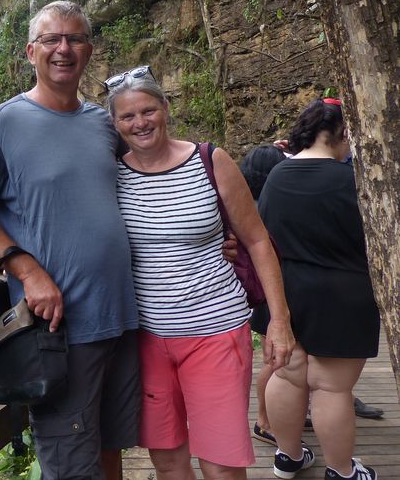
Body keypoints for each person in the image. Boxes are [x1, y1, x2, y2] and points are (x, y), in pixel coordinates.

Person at [0, 1, 141, 480]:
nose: (64, 48)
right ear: (30, 51)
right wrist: (28, 271)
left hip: (120, 320)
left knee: (110, 453)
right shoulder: (3, 122)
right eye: (52, 39)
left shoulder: (104, 123)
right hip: (58, 331)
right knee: (72, 466)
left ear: (89, 51)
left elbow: (141, 187)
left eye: (75, 39)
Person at [105, 66, 295, 480]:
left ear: (166, 108)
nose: (140, 122)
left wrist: (279, 322)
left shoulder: (210, 160)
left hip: (216, 330)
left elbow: (258, 241)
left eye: (148, 110)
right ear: (115, 123)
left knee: (220, 463)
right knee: (168, 459)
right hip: (148, 338)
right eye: (127, 116)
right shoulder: (113, 176)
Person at [259, 98, 380, 480]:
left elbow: (264, 236)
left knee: (287, 375)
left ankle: (288, 457)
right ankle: (342, 471)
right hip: (343, 295)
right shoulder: (353, 181)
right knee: (331, 388)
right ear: (344, 132)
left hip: (287, 292)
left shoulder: (277, 176)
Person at [237, 145, 294, 447]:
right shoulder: (270, 206)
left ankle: (274, 414)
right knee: (274, 363)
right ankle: (264, 419)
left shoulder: (247, 203)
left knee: (275, 361)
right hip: (273, 293)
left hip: (261, 297)